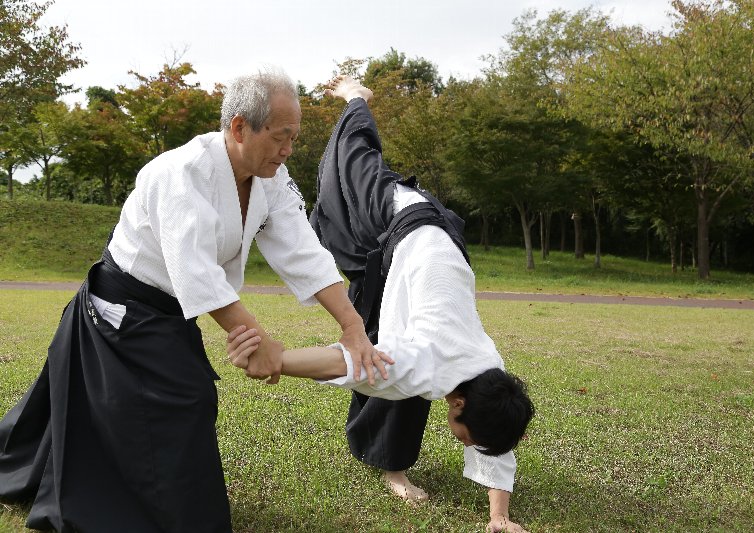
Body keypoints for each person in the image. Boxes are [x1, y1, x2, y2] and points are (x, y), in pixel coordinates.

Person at [0, 68, 389, 533]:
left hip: (169, 312)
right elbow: (195, 271)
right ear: (241, 127)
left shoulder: (269, 178)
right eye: (281, 137)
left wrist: (351, 327)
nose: (288, 150)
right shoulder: (180, 173)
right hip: (121, 307)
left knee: (175, 397)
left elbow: (303, 250)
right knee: (184, 397)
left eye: (294, 138)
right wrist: (259, 341)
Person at [227, 75, 534, 533]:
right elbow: (346, 362)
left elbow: (497, 439)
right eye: (466, 438)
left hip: (432, 250)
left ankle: (391, 461)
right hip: (401, 214)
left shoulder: (491, 373)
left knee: (379, 333)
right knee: (350, 165)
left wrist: (500, 517)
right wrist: (279, 360)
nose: (466, 443)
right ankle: (356, 97)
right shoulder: (426, 363)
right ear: (459, 405)